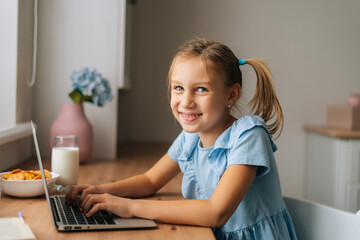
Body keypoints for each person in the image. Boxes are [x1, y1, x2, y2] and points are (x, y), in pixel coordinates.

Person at [66, 39, 297, 239]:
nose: (186, 101)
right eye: (178, 88)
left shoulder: (248, 136)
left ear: (231, 94)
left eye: (201, 90)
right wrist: (101, 191)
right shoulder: (191, 137)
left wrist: (129, 207)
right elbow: (150, 180)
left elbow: (217, 212)